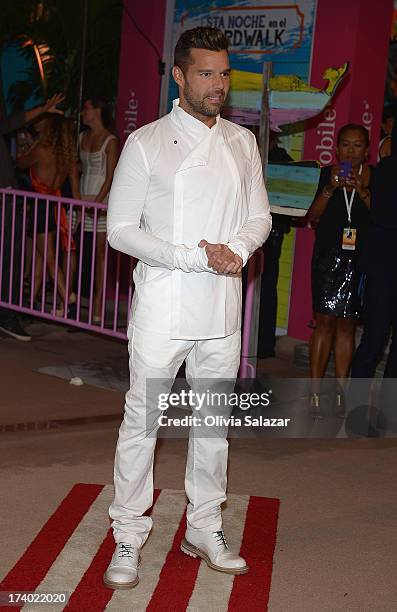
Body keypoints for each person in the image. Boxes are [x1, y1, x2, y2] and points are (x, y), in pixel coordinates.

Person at [104, 26, 271, 589]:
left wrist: (237, 250)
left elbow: (259, 217)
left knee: (213, 424)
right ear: (179, 75)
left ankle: (204, 525)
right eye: (205, 73)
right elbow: (120, 230)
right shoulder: (146, 142)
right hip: (164, 303)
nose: (217, 85)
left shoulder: (242, 143)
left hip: (221, 308)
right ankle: (127, 533)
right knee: (142, 422)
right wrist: (190, 257)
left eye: (224, 73)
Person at [306, 124, 372, 413]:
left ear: (366, 150)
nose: (351, 150)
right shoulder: (325, 174)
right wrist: (331, 187)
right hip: (327, 257)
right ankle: (315, 391)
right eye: (345, 145)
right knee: (324, 323)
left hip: (359, 259)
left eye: (357, 145)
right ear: (337, 148)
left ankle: (342, 389)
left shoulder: (376, 177)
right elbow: (311, 217)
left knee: (347, 326)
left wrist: (363, 191)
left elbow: (382, 217)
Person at [0, 94, 64, 340]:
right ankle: (8, 313)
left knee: (17, 258)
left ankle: (9, 313)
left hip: (10, 196)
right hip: (9, 195)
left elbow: (9, 122)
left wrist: (42, 109)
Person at [349, 154, 397, 429]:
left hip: (384, 262)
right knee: (375, 338)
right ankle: (358, 412)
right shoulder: (388, 169)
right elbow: (383, 214)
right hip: (384, 265)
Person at [17, 114, 80, 315]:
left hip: (41, 206)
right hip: (54, 206)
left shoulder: (42, 150)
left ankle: (67, 297)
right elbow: (74, 187)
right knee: (40, 257)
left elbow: (20, 163)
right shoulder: (66, 155)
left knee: (49, 258)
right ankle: (30, 305)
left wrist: (29, 144)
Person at [79, 97, 118, 323]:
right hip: (82, 199)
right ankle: (70, 300)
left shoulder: (110, 140)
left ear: (97, 110)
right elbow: (77, 169)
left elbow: (111, 174)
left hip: (100, 202)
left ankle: (98, 304)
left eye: (86, 108)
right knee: (75, 248)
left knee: (100, 254)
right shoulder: (82, 136)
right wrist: (78, 197)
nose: (83, 113)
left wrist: (98, 201)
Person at [258, 132, 292, 358]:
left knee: (267, 287)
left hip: (272, 232)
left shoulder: (284, 160)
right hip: (240, 231)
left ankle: (263, 346)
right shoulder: (242, 151)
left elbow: (290, 200)